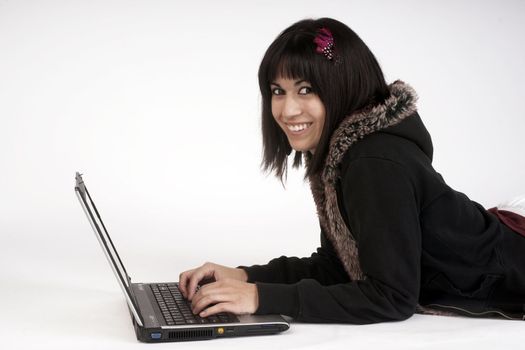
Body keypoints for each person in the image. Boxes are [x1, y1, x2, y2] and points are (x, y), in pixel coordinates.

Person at [178, 17, 525, 324]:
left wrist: (261, 298)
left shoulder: (373, 163)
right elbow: (338, 266)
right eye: (277, 91)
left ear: (342, 88)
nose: (287, 109)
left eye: (306, 90)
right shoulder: (341, 153)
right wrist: (244, 277)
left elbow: (391, 298)